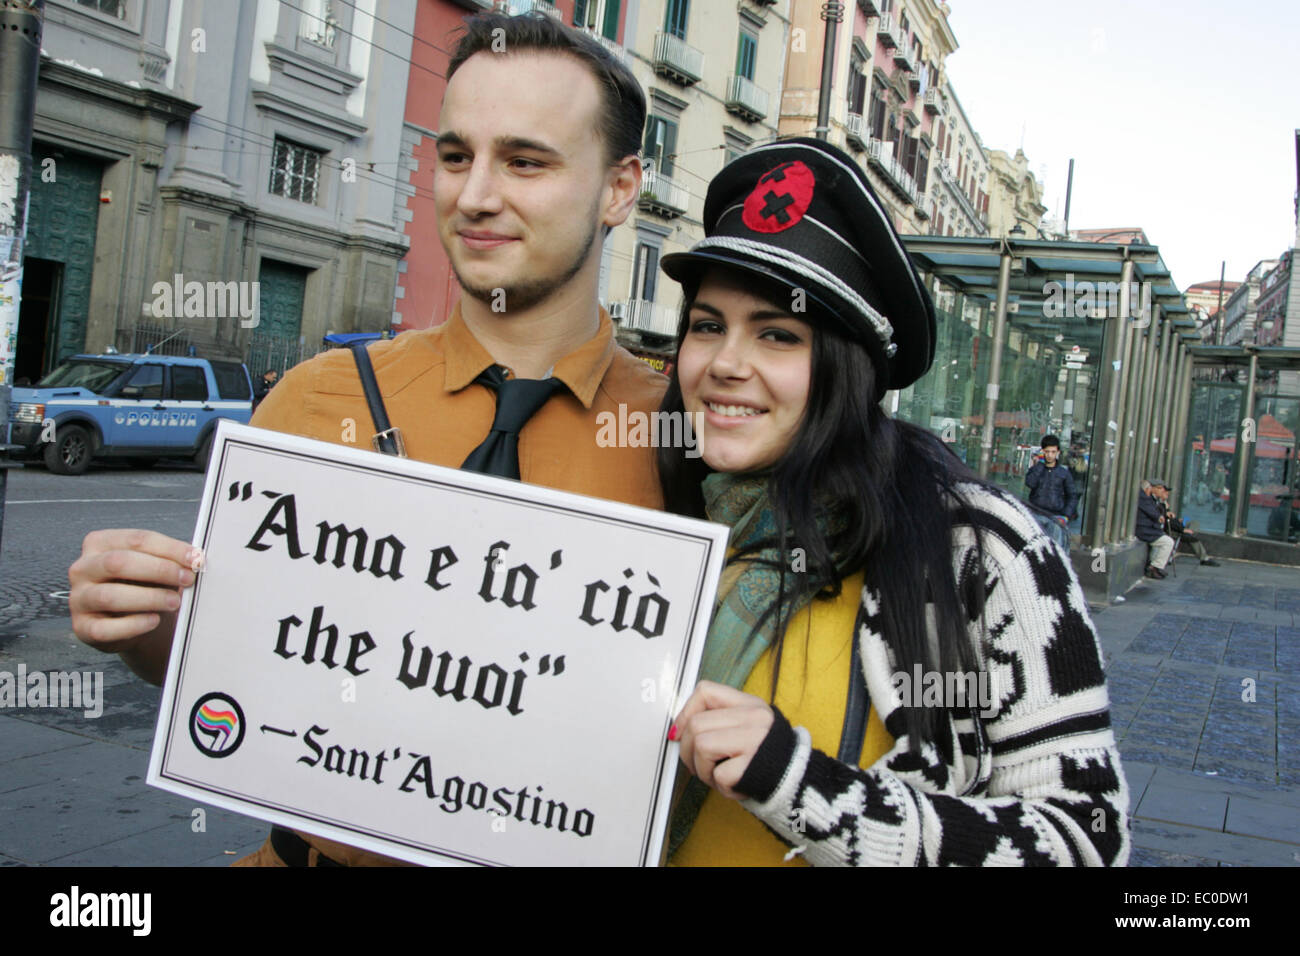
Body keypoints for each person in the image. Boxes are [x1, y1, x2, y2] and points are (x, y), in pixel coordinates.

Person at [66, 12, 666, 866]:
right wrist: (141, 625)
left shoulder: (687, 441)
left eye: (525, 161)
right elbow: (230, 667)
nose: (476, 195)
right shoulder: (315, 400)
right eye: (456, 157)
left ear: (618, 187)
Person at [654, 138, 1129, 866]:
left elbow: (1084, 843)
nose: (724, 364)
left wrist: (800, 784)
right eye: (708, 325)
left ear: (849, 370)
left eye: (777, 335)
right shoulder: (648, 511)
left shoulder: (983, 551)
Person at [1024, 433, 1077, 552]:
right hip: (1036, 515)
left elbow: (1072, 496)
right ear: (1043, 451)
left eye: (1053, 452)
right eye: (1047, 452)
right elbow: (1030, 483)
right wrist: (1039, 464)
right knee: (1034, 551)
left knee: (1055, 552)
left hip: (1055, 517)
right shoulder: (1036, 469)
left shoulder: (1064, 473)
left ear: (1058, 452)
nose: (1050, 455)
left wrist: (1065, 516)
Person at [1153, 481, 1219, 567]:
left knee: (1193, 523)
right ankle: (1202, 555)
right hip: (1171, 528)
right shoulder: (1158, 504)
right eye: (1165, 492)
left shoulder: (1164, 504)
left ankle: (1188, 534)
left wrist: (1176, 519)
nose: (1167, 494)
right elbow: (1168, 522)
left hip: (1176, 525)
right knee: (1191, 537)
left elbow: (1171, 518)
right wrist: (1182, 529)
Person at [1136, 479, 1174, 579]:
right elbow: (1153, 512)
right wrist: (1160, 516)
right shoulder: (1143, 497)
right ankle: (1155, 567)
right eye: (1160, 488)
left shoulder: (1151, 498)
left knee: (1164, 540)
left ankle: (1155, 567)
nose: (1162, 491)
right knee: (1167, 542)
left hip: (1149, 529)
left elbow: (1157, 511)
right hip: (1144, 529)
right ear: (1151, 488)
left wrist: (1165, 508)